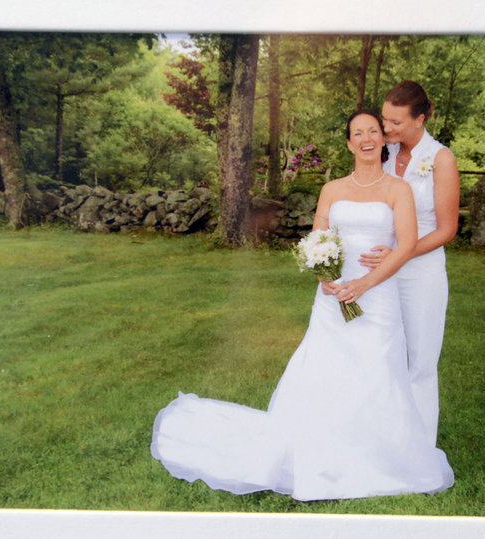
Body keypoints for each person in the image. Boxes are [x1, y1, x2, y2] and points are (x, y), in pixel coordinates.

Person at [151, 110, 455, 501]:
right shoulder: (332, 189)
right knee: (326, 371)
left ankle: (377, 453)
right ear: (348, 143)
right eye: (357, 133)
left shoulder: (399, 190)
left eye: (373, 131)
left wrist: (363, 284)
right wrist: (324, 276)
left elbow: (408, 244)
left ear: (384, 140)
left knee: (378, 369)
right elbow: (318, 241)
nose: (365, 138)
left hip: (378, 298)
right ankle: (317, 448)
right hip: (332, 299)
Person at [362, 81, 461, 446]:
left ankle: (418, 447)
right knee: (379, 352)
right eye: (384, 120)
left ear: (420, 119)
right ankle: (380, 435)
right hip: (379, 271)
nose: (387, 129)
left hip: (421, 274)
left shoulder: (441, 159)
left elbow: (447, 229)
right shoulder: (384, 152)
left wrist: (401, 253)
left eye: (396, 123)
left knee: (419, 360)